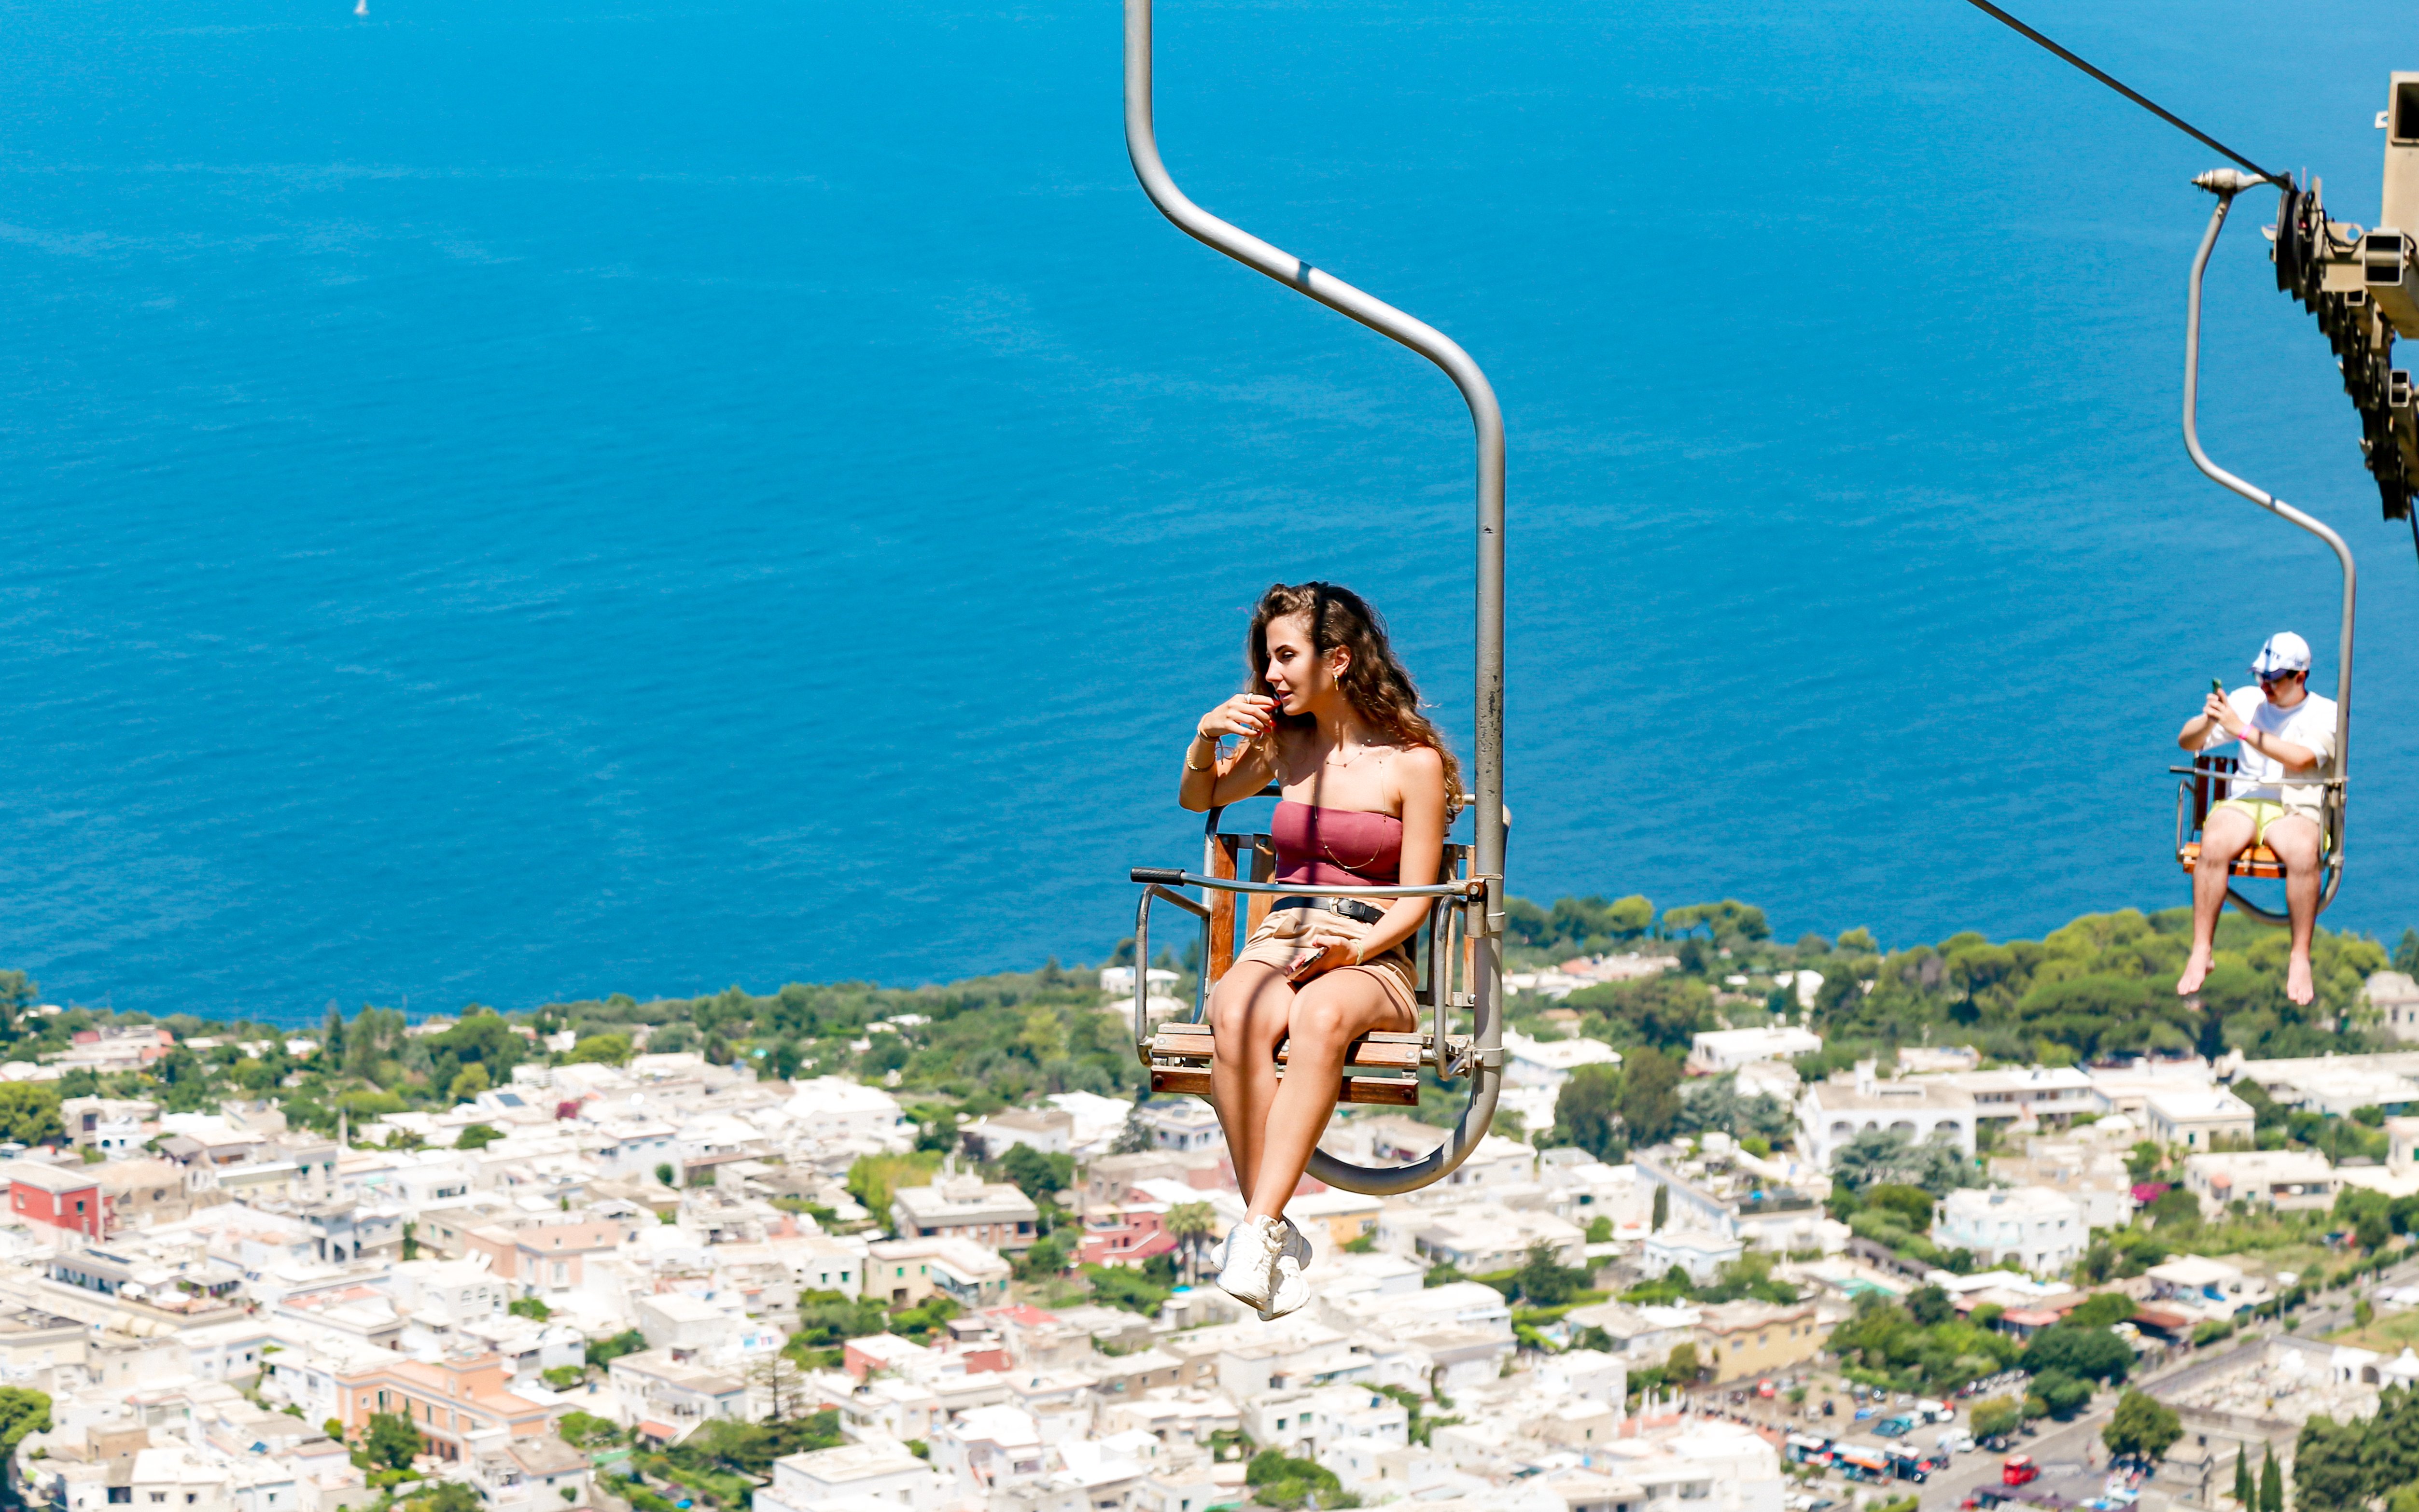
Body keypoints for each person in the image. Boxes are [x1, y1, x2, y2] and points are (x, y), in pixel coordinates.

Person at [1178, 582, 1457, 1317]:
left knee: (1321, 1016)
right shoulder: (1286, 746)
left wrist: (1354, 949)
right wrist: (1207, 737)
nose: (1269, 674)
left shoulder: (1411, 763)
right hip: (1284, 934)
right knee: (1232, 1005)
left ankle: (1258, 1229)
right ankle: (1266, 1228)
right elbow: (1197, 798)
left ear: (1336, 660)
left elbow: (1419, 893)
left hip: (1373, 946)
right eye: (1266, 658)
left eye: (1284, 657)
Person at [2175, 631, 2338, 1006]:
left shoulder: (2325, 712)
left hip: (2294, 804)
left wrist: (2242, 730)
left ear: (2299, 677)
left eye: (2274, 678)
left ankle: (2299, 956)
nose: (2264, 685)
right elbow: (2186, 741)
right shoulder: (2247, 700)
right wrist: (2210, 721)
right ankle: (2202, 949)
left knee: (2301, 852)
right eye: (2259, 676)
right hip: (2247, 800)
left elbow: (2299, 759)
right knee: (2213, 844)